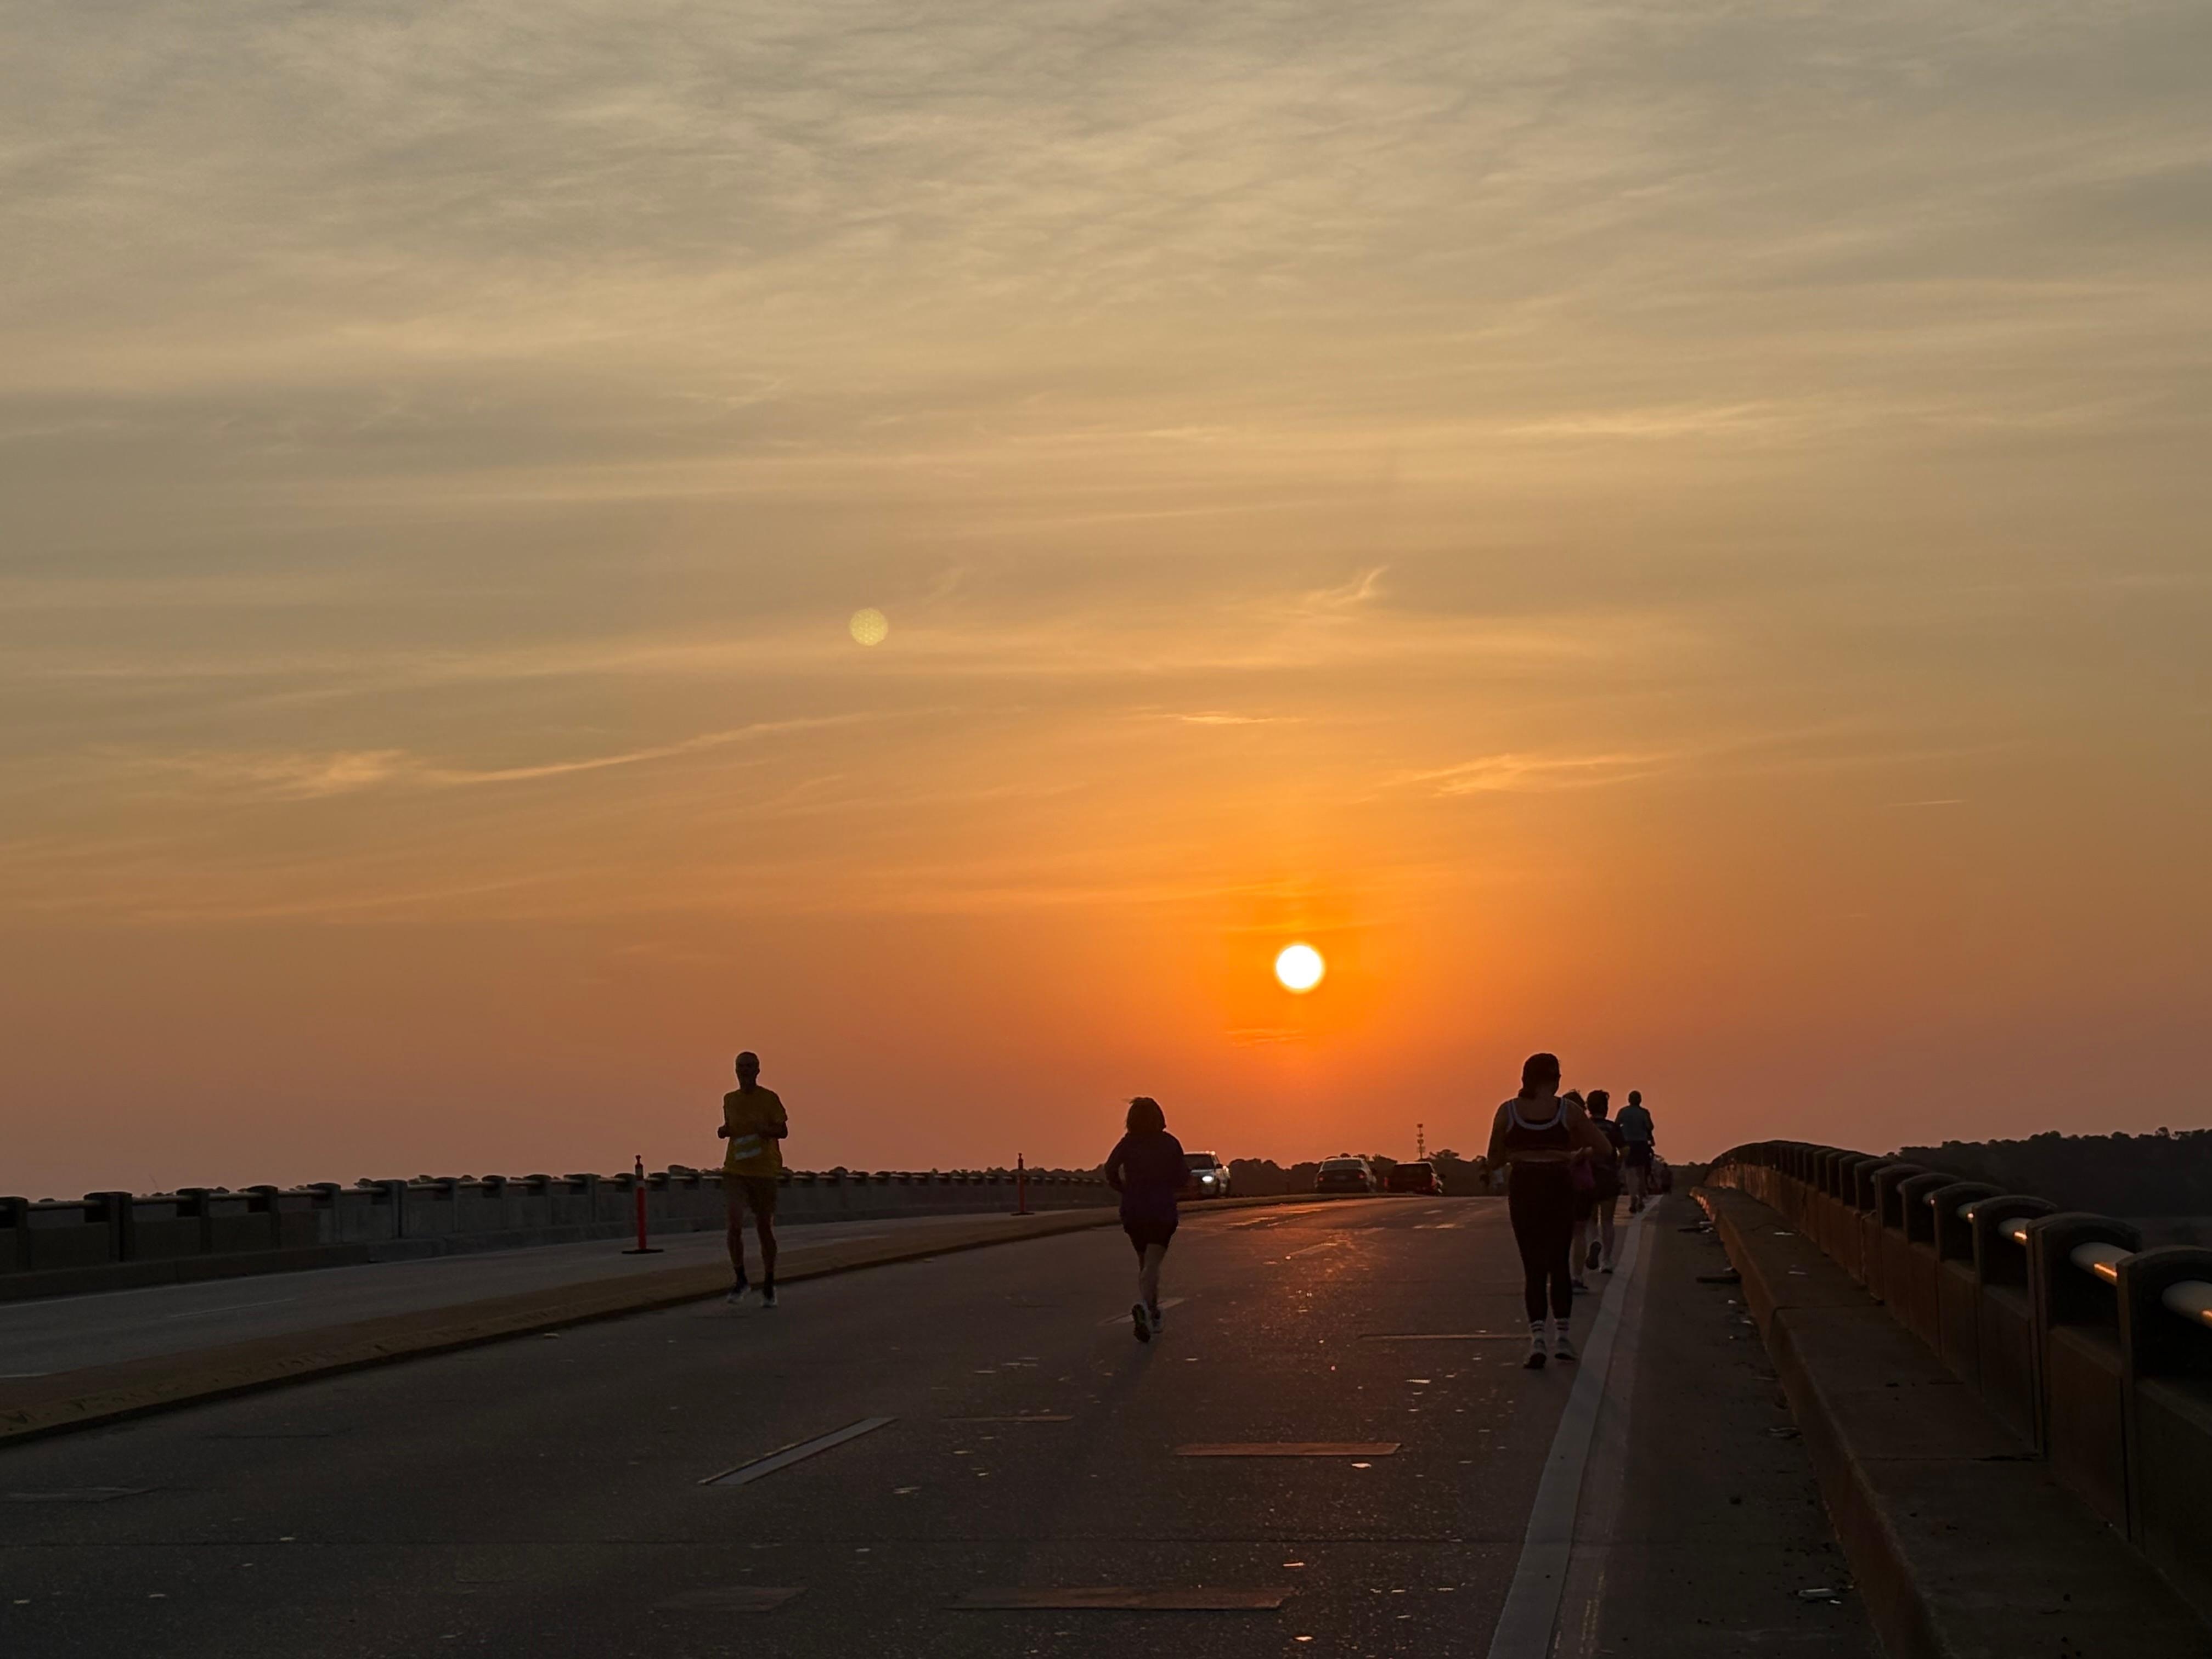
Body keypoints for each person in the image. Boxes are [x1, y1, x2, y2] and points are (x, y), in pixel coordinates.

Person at [1487, 1053, 1615, 1368]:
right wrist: (1572, 1152)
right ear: (1556, 1079)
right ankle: (1564, 1338)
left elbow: (1494, 1158)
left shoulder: (1508, 1111)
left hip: (1524, 1186)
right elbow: (1605, 1149)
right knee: (1559, 1262)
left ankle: (1537, 1340)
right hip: (1558, 1184)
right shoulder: (1567, 1111)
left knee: (1533, 1267)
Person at [1104, 1096, 1185, 1342]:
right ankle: (1146, 1306)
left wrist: (1124, 1189)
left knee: (1145, 1262)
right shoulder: (1169, 1143)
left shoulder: (1128, 1144)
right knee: (1152, 1263)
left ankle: (1152, 1311)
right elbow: (1181, 1176)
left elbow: (1110, 1169)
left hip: (1134, 1209)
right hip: (1160, 1208)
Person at [718, 1051, 788, 1307]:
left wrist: (765, 1130)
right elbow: (730, 1127)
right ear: (735, 1070)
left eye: (750, 1066)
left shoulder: (769, 1099)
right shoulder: (730, 1100)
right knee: (734, 1225)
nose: (745, 1071)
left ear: (758, 1070)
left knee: (763, 1227)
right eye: (741, 1067)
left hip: (764, 1172)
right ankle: (741, 1280)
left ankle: (769, 1282)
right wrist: (724, 1131)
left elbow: (783, 1131)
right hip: (735, 1170)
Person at [1580, 1089, 1626, 1274]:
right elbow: (1625, 1150)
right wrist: (1618, 1166)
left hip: (1588, 1177)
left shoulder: (1584, 1126)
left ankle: (1593, 1242)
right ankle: (1606, 1261)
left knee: (1591, 1219)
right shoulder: (1612, 1128)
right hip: (1608, 1176)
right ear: (1605, 1108)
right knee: (1608, 1220)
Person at [1616, 1089, 1656, 1214]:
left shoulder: (1623, 1112)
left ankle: (1633, 1197)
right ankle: (1640, 1200)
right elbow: (1650, 1126)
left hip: (1628, 1143)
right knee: (1641, 1172)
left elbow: (1617, 1124)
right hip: (1641, 1143)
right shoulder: (1644, 1112)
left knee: (1630, 1173)